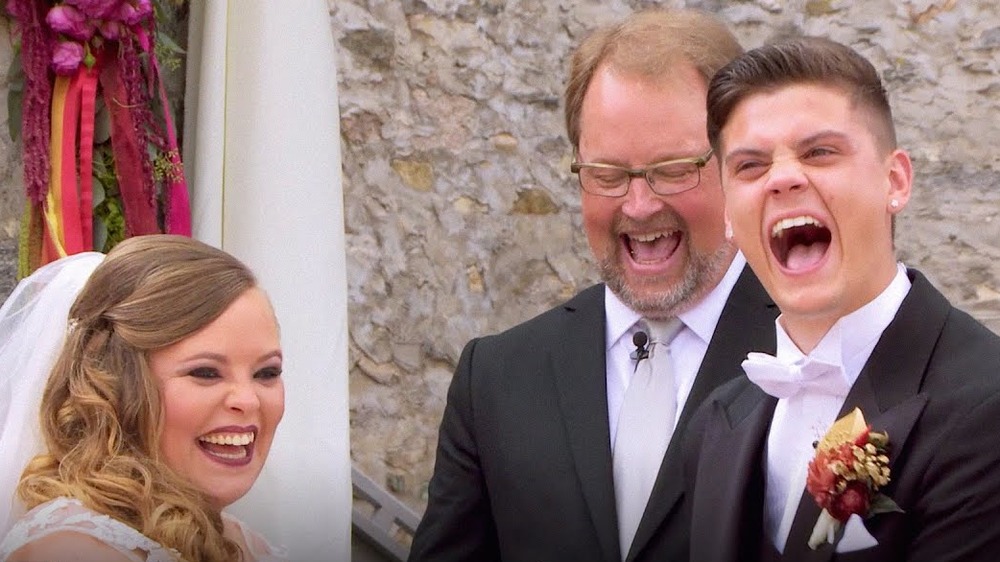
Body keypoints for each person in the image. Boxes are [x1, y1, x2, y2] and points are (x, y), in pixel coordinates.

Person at [409, 9, 778, 562]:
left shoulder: (813, 357)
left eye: (674, 169)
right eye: (606, 175)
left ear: (739, 164)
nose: (639, 205)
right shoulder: (497, 379)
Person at [684, 36, 1000, 561]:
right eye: (750, 166)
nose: (783, 178)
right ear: (726, 216)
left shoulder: (987, 407)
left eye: (819, 152)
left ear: (894, 180)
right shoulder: (715, 422)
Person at [0, 235, 287, 562]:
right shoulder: (73, 550)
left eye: (266, 373)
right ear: (119, 385)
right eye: (206, 373)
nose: (249, 401)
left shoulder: (246, 544)